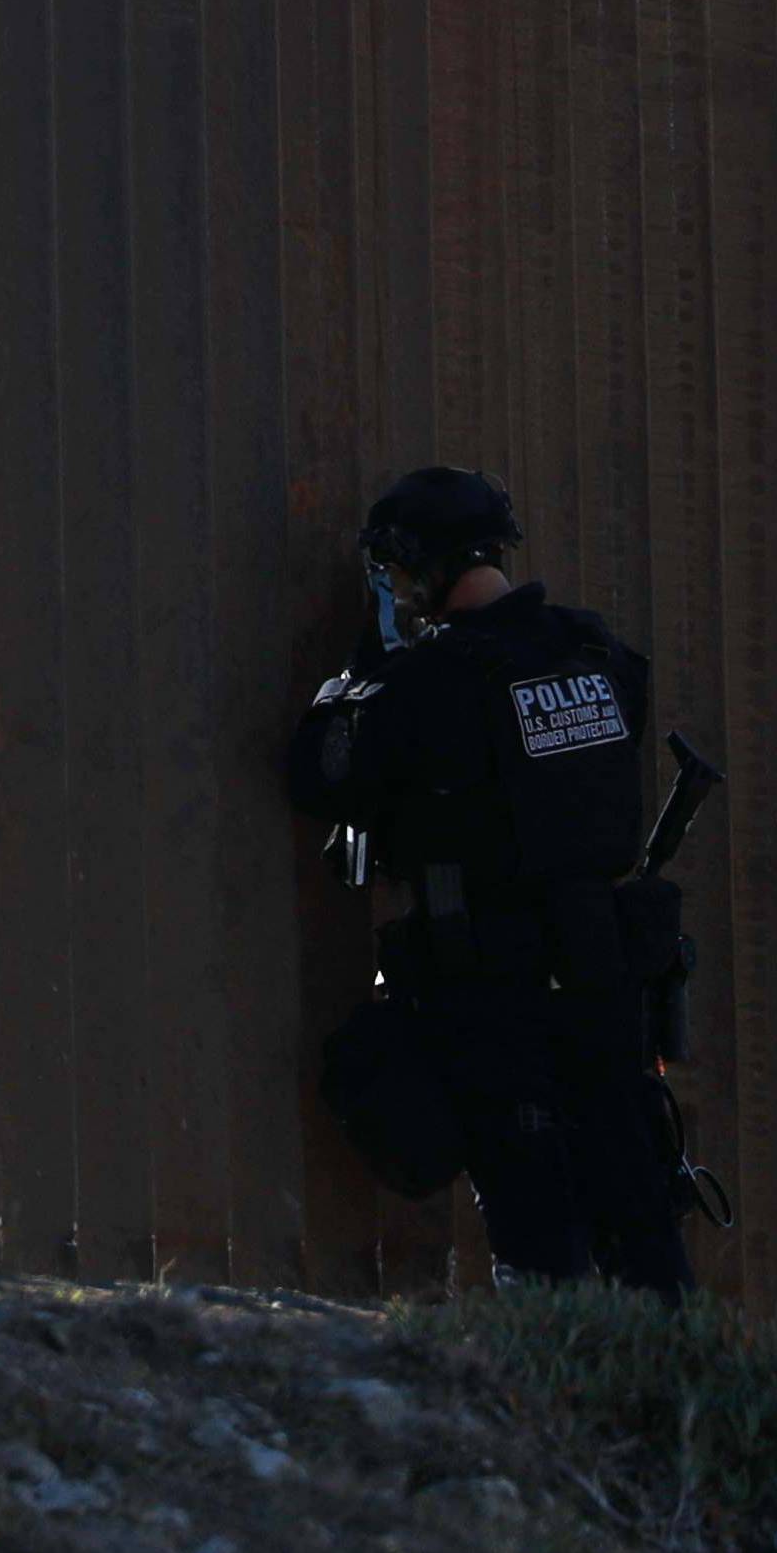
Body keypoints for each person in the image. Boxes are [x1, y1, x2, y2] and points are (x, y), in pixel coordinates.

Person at [287, 464, 692, 1296]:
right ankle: (678, 1379)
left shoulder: (430, 685)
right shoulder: (598, 652)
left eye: (395, 574)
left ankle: (557, 1396)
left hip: (493, 984)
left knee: (534, 1225)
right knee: (636, 1207)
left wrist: (368, 664)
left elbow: (320, 773)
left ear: (418, 567)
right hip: (604, 971)